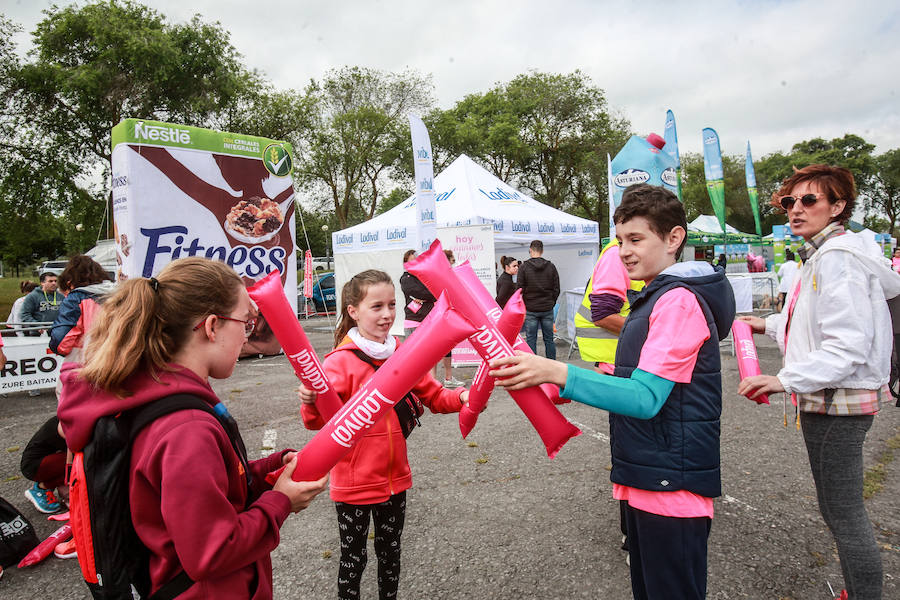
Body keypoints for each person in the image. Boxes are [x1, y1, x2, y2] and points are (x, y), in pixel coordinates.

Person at [490, 184, 735, 600]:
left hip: (669, 487)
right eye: (620, 240)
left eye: (636, 239)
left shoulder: (675, 302)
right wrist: (562, 387)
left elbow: (644, 397)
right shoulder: (653, 296)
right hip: (650, 477)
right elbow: (643, 384)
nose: (623, 251)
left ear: (674, 238)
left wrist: (559, 370)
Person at [57, 257, 328, 599]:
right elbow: (211, 552)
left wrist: (265, 471)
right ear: (212, 326)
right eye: (246, 322)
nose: (246, 337)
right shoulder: (187, 429)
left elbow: (195, 491)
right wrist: (281, 503)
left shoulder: (153, 395)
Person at [737, 164, 899, 600]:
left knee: (844, 514)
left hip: (837, 401)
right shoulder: (823, 254)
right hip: (829, 398)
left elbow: (847, 345)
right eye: (791, 201)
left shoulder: (839, 258)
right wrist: (767, 325)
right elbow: (813, 323)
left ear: (838, 206)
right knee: (837, 510)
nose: (796, 209)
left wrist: (783, 378)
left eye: (809, 201)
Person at [299, 269, 469, 600]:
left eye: (392, 304)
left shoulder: (403, 352)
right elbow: (317, 423)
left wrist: (463, 397)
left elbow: (434, 396)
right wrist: (309, 401)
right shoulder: (338, 363)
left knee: (390, 558)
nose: (387, 314)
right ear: (353, 311)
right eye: (376, 306)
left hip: (396, 480)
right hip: (353, 485)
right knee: (353, 560)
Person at [49, 255, 115, 357]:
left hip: (91, 361)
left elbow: (61, 341)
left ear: (70, 282)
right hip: (124, 361)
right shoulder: (122, 294)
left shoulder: (76, 299)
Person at [517, 240, 560, 359]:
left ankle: (532, 366)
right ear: (542, 251)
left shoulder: (524, 267)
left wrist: (524, 305)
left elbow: (519, 290)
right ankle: (552, 366)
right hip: (547, 308)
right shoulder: (551, 267)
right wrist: (551, 302)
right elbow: (556, 288)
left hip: (531, 308)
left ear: (530, 250)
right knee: (549, 339)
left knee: (531, 339)